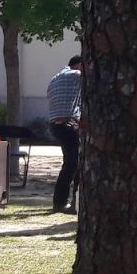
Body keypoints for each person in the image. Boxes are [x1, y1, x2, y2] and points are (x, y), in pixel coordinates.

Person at [46, 55, 82, 214]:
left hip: (56, 125)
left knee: (71, 164)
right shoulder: (76, 75)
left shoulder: (55, 78)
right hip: (68, 125)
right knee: (74, 164)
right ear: (78, 65)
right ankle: (68, 202)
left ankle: (63, 202)